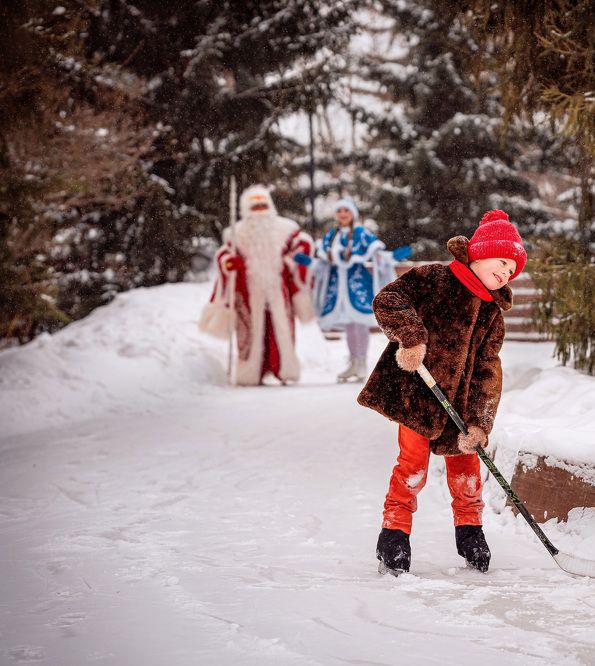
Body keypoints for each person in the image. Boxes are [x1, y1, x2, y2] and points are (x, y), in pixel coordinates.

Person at [357, 209, 527, 575]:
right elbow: (389, 301)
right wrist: (411, 336)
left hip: (461, 407)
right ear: (479, 253)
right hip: (419, 395)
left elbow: (487, 368)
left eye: (512, 270)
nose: (505, 273)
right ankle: (394, 534)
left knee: (466, 468)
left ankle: (470, 532)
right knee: (412, 466)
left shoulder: (492, 313)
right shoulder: (434, 279)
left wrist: (481, 423)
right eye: (502, 262)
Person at [199, 184, 315, 386]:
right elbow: (225, 255)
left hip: (278, 289)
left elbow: (302, 245)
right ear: (246, 209)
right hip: (250, 290)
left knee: (281, 328)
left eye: (263, 205)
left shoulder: (285, 228)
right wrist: (229, 262)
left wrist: (292, 259)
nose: (260, 211)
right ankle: (251, 373)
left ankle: (283, 369)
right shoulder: (236, 233)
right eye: (255, 207)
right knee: (251, 332)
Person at [314, 197, 387, 382]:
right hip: (338, 286)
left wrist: (386, 259)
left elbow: (376, 251)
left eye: (346, 211)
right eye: (340, 211)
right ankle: (353, 362)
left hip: (358, 284)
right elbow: (322, 258)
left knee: (359, 323)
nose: (343, 214)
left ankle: (362, 362)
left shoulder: (361, 233)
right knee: (349, 325)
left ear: (352, 214)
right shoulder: (332, 235)